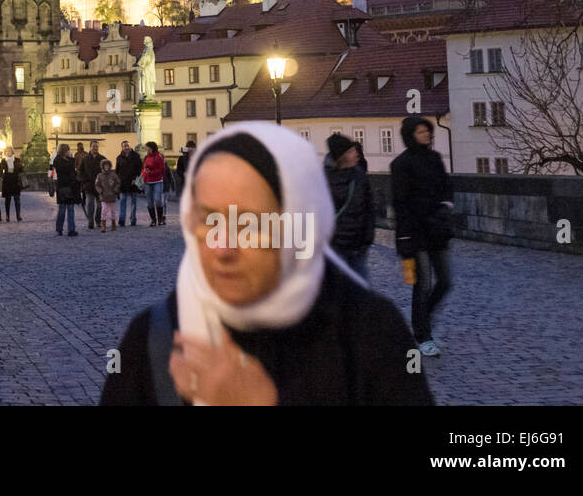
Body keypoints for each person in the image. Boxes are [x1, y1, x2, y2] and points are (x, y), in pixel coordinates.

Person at [100, 122, 433, 405]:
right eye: (209, 220)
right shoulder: (154, 336)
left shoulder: (370, 332)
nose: (223, 246)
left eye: (249, 223)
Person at [391, 115, 455, 358]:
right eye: (420, 132)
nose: (426, 134)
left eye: (427, 130)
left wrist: (445, 206)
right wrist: (404, 238)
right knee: (422, 284)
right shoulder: (401, 164)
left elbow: (446, 187)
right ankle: (423, 335)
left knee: (446, 281)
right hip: (415, 233)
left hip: (437, 229)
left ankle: (420, 322)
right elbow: (400, 203)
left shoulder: (435, 158)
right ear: (410, 135)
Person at [324, 134, 374, 282]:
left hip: (358, 246)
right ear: (342, 156)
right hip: (336, 246)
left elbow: (369, 207)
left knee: (361, 288)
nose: (356, 154)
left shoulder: (359, 175)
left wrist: (368, 237)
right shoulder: (324, 178)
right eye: (351, 151)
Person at [77, 139, 108, 230]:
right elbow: (80, 171)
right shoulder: (85, 159)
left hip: (100, 187)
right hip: (89, 186)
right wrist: (83, 181)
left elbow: (107, 171)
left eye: (96, 146)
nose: (95, 148)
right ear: (90, 147)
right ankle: (90, 221)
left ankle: (98, 221)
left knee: (100, 205)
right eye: (93, 146)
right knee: (90, 204)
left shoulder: (103, 158)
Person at [53, 144, 80, 237]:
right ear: (64, 151)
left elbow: (73, 172)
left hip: (70, 186)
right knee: (62, 209)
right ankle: (59, 228)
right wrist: (72, 160)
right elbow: (65, 170)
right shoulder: (57, 160)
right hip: (63, 187)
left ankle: (71, 229)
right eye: (68, 150)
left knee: (71, 209)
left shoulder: (68, 161)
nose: (69, 152)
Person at [115, 140, 143, 226]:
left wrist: (135, 179)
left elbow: (140, 169)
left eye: (128, 146)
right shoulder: (119, 158)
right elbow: (117, 171)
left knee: (133, 202)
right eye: (124, 146)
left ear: (130, 146)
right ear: (122, 147)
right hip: (123, 183)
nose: (126, 147)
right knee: (123, 201)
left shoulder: (136, 156)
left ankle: (133, 219)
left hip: (133, 182)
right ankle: (122, 219)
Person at [141, 141, 167, 226]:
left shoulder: (159, 157)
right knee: (149, 202)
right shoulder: (146, 157)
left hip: (157, 181)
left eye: (147, 147)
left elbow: (162, 170)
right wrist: (144, 173)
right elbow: (144, 168)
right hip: (147, 181)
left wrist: (151, 172)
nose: (146, 149)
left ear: (151, 148)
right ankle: (153, 220)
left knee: (157, 200)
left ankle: (160, 219)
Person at [95, 158, 120, 232]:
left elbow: (118, 183)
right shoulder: (99, 175)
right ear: (102, 166)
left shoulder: (113, 175)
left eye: (108, 166)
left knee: (112, 211)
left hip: (112, 195)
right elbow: (97, 184)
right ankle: (103, 225)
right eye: (105, 165)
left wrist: (115, 190)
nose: (106, 167)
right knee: (104, 211)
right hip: (103, 196)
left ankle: (113, 224)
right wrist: (100, 191)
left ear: (110, 166)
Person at [1, 148, 24, 221]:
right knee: (7, 200)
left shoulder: (17, 160)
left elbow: (21, 169)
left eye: (9, 151)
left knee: (17, 199)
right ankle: (7, 216)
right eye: (6, 151)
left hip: (15, 181)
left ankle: (18, 215)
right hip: (7, 182)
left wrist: (19, 167)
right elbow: (1, 170)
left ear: (12, 152)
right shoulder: (3, 160)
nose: (8, 152)